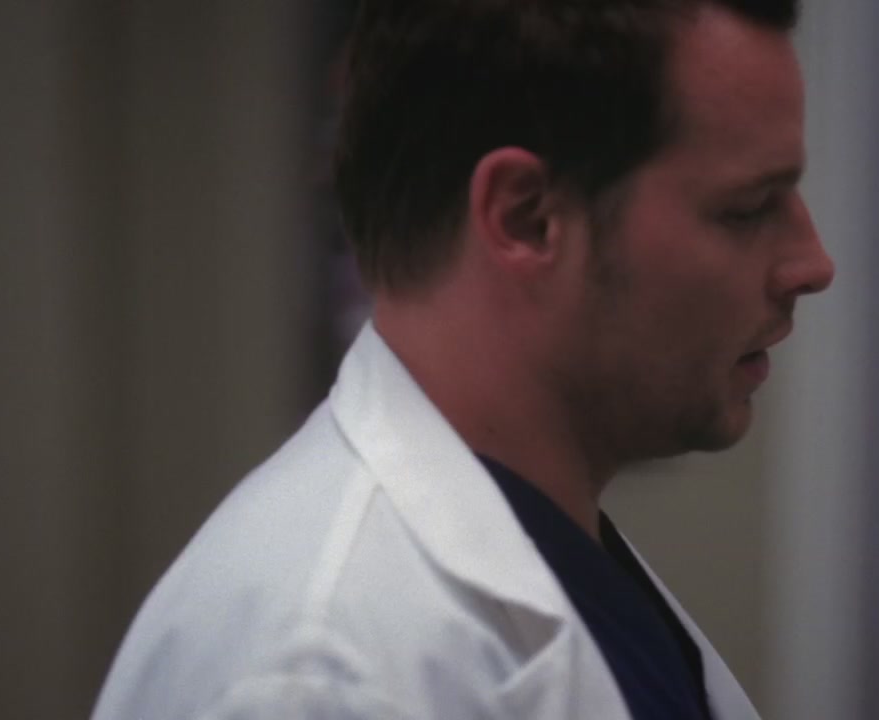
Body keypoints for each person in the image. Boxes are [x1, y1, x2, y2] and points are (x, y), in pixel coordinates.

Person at [91, 0, 834, 717]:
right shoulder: (324, 677)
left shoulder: (567, 563)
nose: (812, 263)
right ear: (527, 218)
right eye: (747, 208)